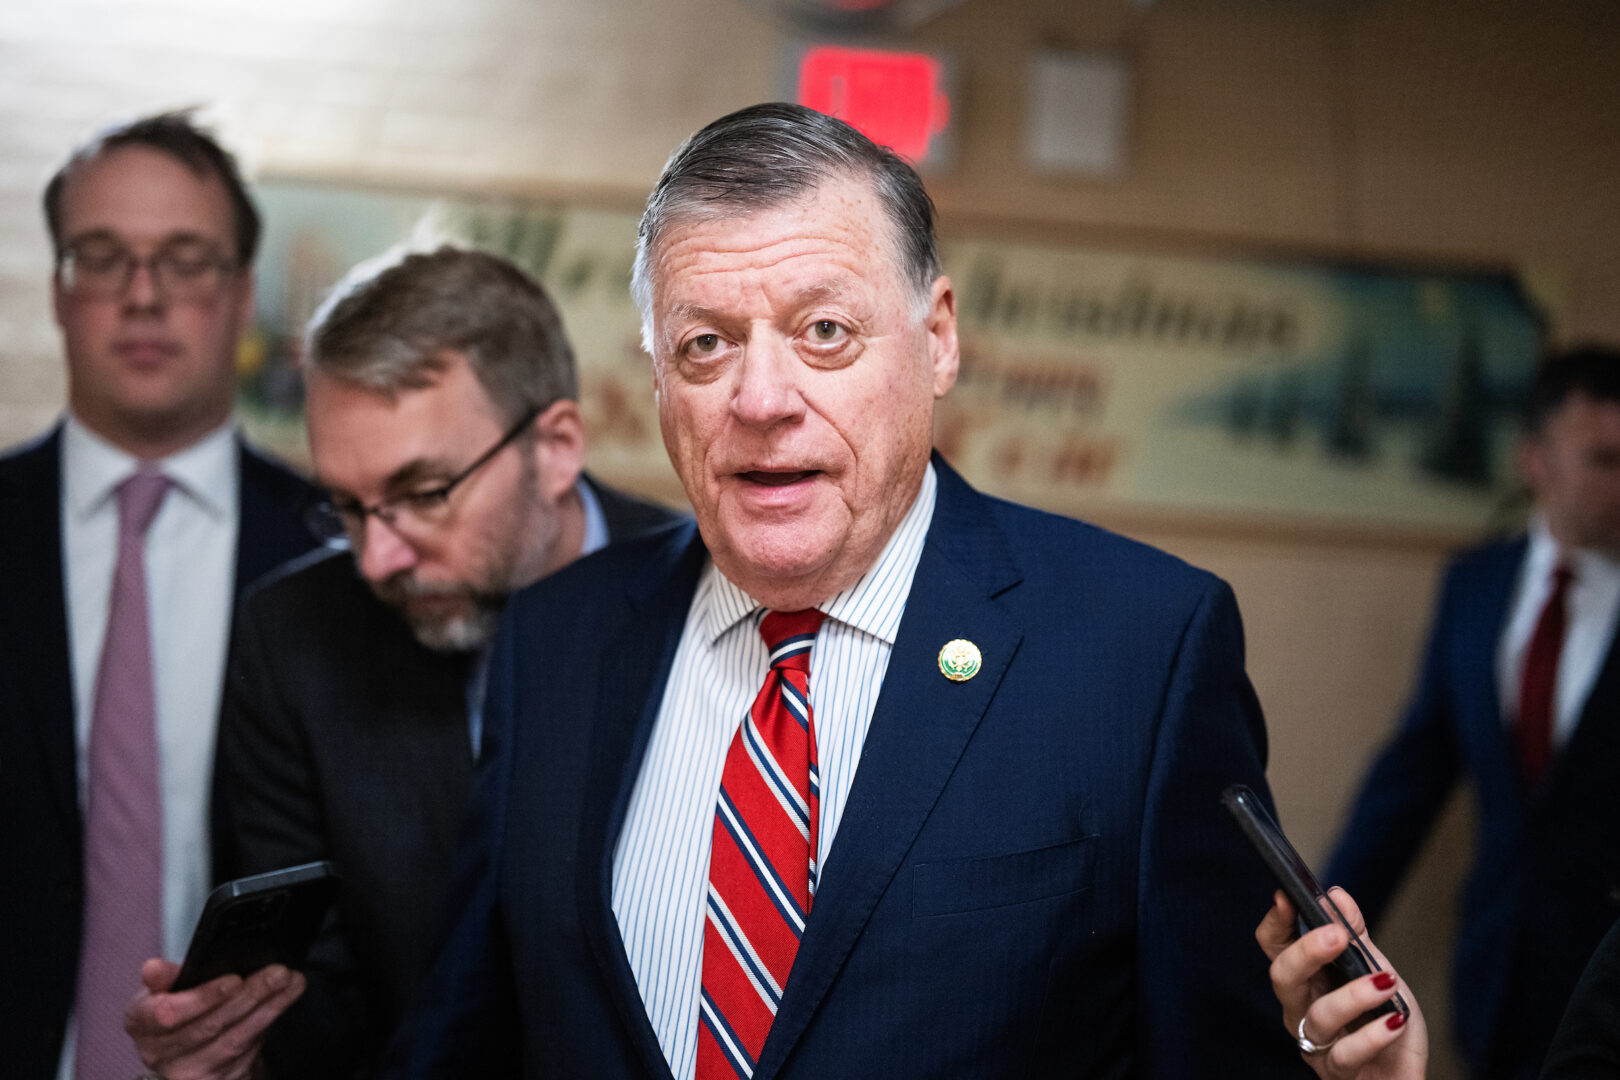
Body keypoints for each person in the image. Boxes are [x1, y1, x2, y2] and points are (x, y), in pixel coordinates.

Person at [383, 102, 1309, 1079]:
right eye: (706, 344)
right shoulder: (556, 640)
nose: (761, 398)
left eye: (824, 331)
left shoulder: (1141, 651)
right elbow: (465, 1037)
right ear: (657, 373)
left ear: (938, 338)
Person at [122, 246, 681, 1079]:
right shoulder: (295, 638)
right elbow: (321, 1002)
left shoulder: (710, 591)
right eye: (347, 506)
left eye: (424, 494)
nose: (378, 557)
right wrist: (241, 1060)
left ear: (557, 446)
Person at [0, 111, 319, 1080]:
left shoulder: (342, 549)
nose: (143, 296)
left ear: (240, 294)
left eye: (184, 260)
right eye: (102, 257)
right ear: (58, 294)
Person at [1324, 346, 1620, 1080]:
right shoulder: (1476, 586)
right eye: (1604, 458)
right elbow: (1414, 773)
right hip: (1499, 968)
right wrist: (1326, 925)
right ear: (1536, 462)